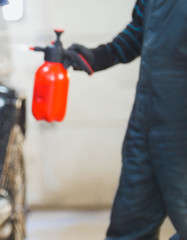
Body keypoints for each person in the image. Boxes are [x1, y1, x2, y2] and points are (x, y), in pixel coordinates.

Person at [68, 0, 187, 239]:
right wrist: (99, 56)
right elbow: (141, 30)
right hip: (146, 122)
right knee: (130, 224)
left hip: (180, 124)